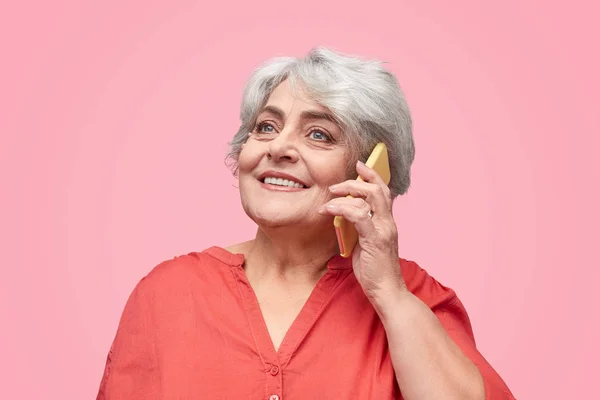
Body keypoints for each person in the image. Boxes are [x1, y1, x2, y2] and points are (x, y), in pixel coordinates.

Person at [96, 47, 515, 399]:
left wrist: (389, 294)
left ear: (372, 172)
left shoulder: (416, 300)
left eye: (319, 134)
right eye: (266, 127)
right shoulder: (166, 294)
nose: (279, 146)